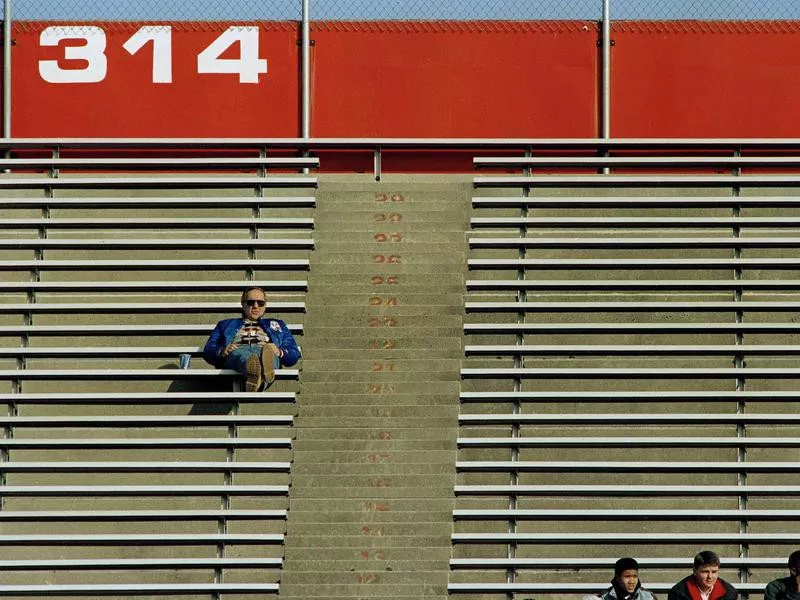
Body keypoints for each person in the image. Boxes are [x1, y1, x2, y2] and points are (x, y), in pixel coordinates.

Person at [202, 287, 301, 392]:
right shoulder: (225, 324)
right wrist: (222, 351)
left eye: (260, 303)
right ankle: (259, 379)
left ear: (265, 305)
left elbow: (293, 353)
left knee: (269, 352)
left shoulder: (278, 324)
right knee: (243, 355)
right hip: (238, 349)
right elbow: (209, 350)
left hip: (265, 350)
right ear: (243, 303)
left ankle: (257, 378)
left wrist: (280, 352)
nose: (256, 306)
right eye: (251, 302)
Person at [668, 550, 738, 600]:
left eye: (714, 572)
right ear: (695, 571)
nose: (710, 577)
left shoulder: (729, 593)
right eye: (705, 572)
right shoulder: (678, 593)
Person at [584, 557, 658, 600]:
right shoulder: (605, 597)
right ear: (618, 578)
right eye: (627, 577)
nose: (631, 581)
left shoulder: (648, 597)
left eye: (635, 576)